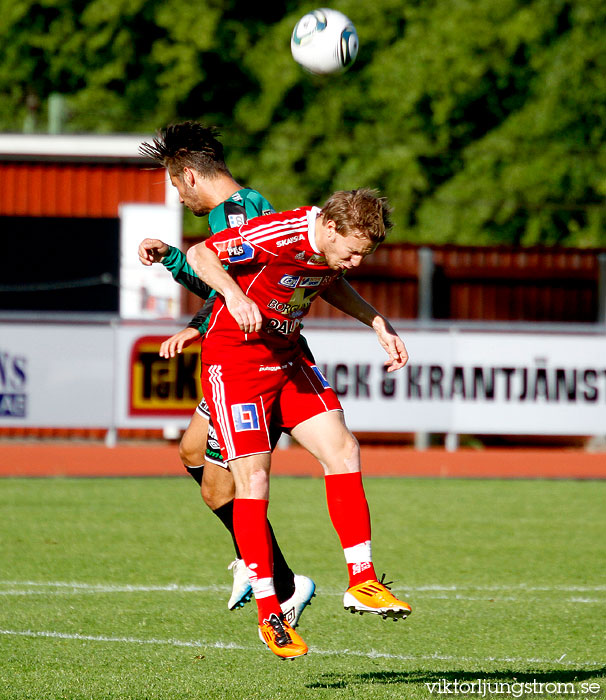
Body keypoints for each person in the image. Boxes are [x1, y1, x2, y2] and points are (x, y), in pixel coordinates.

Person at [186, 188, 412, 659]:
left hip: (288, 360)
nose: (354, 262)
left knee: (344, 449)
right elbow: (201, 253)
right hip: (237, 366)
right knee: (255, 478)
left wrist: (376, 322)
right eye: (351, 251)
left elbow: (327, 280)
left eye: (363, 255)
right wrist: (232, 294)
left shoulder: (331, 252)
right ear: (329, 228)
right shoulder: (276, 234)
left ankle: (363, 580)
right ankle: (271, 612)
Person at [138, 122, 315, 626]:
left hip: (247, 365)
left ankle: (282, 584)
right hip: (243, 357)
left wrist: (196, 327)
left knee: (221, 490)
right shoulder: (244, 206)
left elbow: (237, 291)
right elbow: (227, 283)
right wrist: (173, 258)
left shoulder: (234, 212)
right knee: (191, 452)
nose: (177, 195)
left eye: (175, 185)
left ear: (190, 175)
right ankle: (262, 566)